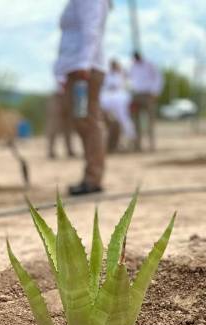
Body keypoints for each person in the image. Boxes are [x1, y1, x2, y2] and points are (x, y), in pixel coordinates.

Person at [55, 0, 110, 196]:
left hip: (85, 69)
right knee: (82, 120)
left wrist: (84, 63)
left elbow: (91, 28)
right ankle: (91, 175)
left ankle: (93, 178)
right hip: (77, 67)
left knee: (89, 120)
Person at [128, 51, 162, 152]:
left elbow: (158, 78)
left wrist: (155, 92)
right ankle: (137, 146)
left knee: (150, 121)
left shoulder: (149, 64)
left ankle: (152, 145)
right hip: (136, 95)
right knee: (135, 121)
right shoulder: (133, 66)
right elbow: (129, 79)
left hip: (148, 94)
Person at [100, 59, 136, 150]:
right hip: (108, 100)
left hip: (119, 100)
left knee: (124, 119)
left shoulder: (122, 75)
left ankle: (130, 139)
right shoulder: (107, 76)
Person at [46, 82, 76, 160]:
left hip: (69, 95)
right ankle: (51, 150)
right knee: (53, 125)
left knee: (68, 125)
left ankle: (69, 150)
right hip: (57, 95)